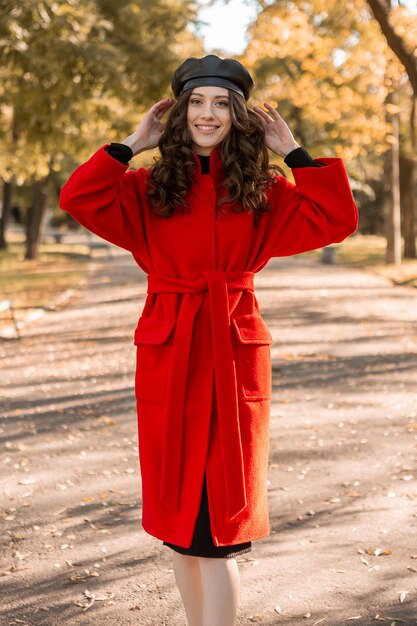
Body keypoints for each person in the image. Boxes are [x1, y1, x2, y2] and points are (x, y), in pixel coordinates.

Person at [59, 54, 358, 626]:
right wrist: (131, 143)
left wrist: (293, 153)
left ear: (238, 114)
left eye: (222, 103)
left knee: (216, 529)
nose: (208, 113)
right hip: (170, 350)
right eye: (197, 101)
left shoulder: (259, 188)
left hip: (231, 349)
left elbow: (336, 217)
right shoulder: (148, 187)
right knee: (181, 531)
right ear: (178, 112)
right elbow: (79, 198)